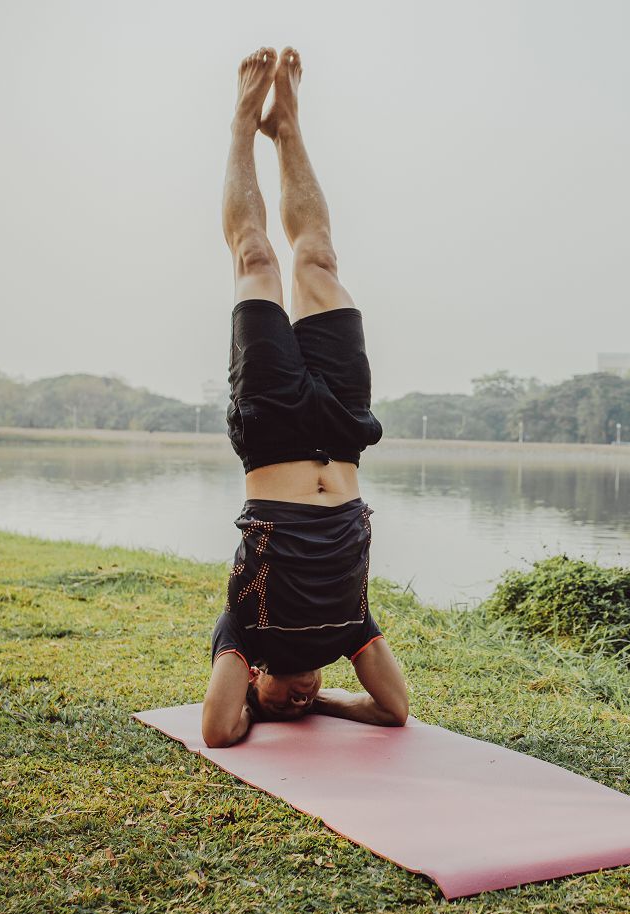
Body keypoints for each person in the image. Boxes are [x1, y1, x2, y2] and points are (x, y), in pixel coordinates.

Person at [201, 47, 410, 748]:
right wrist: (326, 706)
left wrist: (260, 698)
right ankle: (287, 125)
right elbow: (394, 710)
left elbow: (218, 729)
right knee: (319, 258)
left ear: (253, 680)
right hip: (344, 432)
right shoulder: (348, 631)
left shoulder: (245, 628)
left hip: (273, 431)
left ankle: (245, 125)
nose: (299, 701)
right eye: (303, 707)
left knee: (258, 259)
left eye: (282, 705)